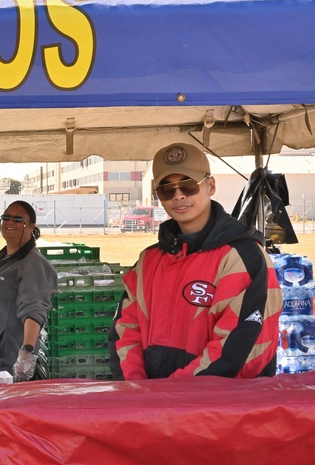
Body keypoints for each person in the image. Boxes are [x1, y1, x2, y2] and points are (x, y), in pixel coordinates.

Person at [109, 142, 283, 380]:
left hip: (221, 410)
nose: (178, 195)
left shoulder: (243, 257)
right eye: (167, 189)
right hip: (152, 409)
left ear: (210, 186)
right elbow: (125, 333)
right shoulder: (147, 262)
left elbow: (244, 351)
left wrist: (172, 396)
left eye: (188, 185)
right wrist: (140, 392)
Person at [0, 200, 57, 382]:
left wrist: (27, 355)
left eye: (18, 219)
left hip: (4, 367)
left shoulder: (34, 265)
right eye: (6, 218)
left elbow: (34, 311)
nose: (10, 222)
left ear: (31, 226)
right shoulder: (1, 257)